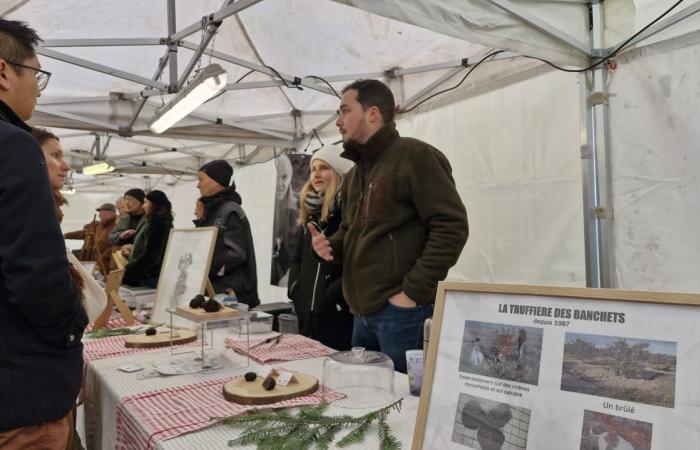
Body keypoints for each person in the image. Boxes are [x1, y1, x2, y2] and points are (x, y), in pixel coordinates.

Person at [310, 79, 469, 373]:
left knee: (406, 408)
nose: (338, 121)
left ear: (372, 114)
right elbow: (352, 231)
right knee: (368, 399)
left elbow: (451, 227)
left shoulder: (415, 156)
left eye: (345, 111)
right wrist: (330, 244)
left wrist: (411, 293)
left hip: (403, 314)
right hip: (361, 313)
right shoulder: (357, 173)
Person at [0, 19, 88, 448]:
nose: (38, 88)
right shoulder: (13, 145)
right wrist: (72, 329)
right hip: (20, 394)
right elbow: (36, 272)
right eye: (36, 74)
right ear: (4, 72)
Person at [288, 144, 354, 350]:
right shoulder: (310, 216)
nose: (316, 174)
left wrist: (333, 295)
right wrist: (295, 289)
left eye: (324, 168)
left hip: (337, 315)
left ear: (338, 173)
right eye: (313, 169)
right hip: (306, 312)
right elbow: (297, 258)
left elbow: (357, 260)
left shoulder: (348, 216)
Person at [195, 160, 260, 307]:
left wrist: (208, 269)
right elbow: (205, 245)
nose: (198, 185)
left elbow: (236, 253)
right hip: (216, 290)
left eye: (201, 179)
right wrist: (200, 220)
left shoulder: (230, 210)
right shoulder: (211, 209)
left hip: (233, 294)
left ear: (215, 181)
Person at [122, 190, 174, 288]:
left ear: (153, 204)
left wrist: (128, 272)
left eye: (146, 202)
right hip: (147, 276)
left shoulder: (157, 224)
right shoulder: (154, 222)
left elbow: (151, 256)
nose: (143, 206)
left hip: (147, 278)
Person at [64, 203, 117, 274]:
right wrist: (64, 235)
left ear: (110, 213)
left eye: (101, 212)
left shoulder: (116, 227)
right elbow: (83, 234)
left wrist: (103, 256)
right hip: (93, 264)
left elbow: (115, 247)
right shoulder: (98, 226)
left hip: (105, 268)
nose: (99, 215)